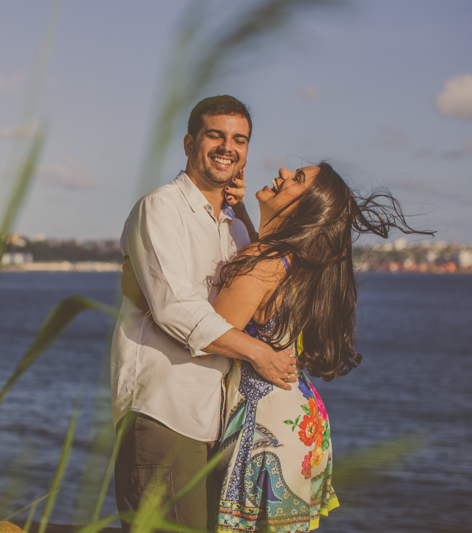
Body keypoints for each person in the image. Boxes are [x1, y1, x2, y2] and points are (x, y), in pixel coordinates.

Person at [121, 162, 431, 531]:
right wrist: (247, 216)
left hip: (263, 425)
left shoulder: (262, 262)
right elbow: (262, 273)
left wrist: (145, 291)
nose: (283, 171)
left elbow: (208, 331)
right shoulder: (303, 263)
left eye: (297, 179)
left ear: (304, 210)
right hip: (300, 418)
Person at [111, 95, 298, 532]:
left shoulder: (232, 224)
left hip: (213, 420)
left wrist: (247, 214)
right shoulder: (161, 208)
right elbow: (175, 308)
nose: (227, 147)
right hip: (163, 410)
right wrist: (259, 354)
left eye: (239, 139)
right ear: (189, 142)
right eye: (215, 134)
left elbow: (253, 298)